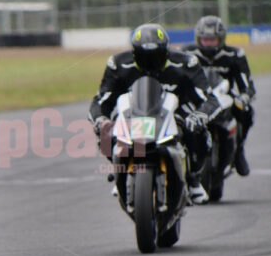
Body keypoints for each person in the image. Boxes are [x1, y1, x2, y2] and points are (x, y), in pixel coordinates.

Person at [88, 23, 222, 204]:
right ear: (134, 52)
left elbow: (210, 99)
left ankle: (192, 178)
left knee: (199, 131)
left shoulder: (186, 63)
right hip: (133, 112)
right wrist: (100, 119)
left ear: (166, 51)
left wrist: (199, 115)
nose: (150, 63)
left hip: (176, 112)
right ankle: (121, 170)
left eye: (156, 56)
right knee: (106, 130)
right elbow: (101, 100)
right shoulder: (118, 64)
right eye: (143, 57)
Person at [181, 15, 255, 176]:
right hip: (197, 99)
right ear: (198, 38)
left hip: (225, 98)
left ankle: (239, 149)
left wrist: (244, 96)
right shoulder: (187, 53)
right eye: (205, 40)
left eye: (212, 40)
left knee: (246, 110)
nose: (208, 43)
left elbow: (247, 85)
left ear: (221, 39)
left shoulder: (235, 55)